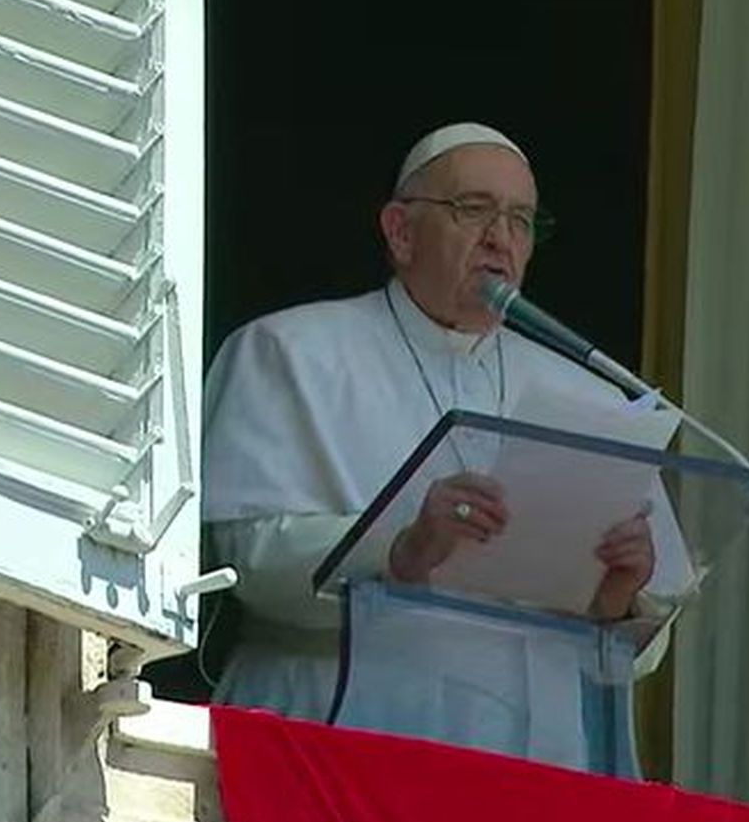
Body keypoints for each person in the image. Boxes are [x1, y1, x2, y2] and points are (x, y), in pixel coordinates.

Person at [200, 123, 686, 754]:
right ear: (400, 231)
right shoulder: (289, 352)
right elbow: (246, 560)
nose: (500, 239)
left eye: (520, 221)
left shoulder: (592, 399)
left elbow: (642, 646)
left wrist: (617, 601)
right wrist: (402, 549)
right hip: (335, 735)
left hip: (529, 759)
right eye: (474, 209)